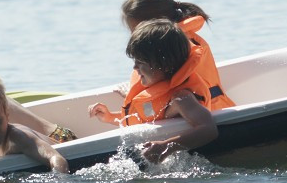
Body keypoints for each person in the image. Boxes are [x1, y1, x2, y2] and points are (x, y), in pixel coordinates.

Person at [88, 19, 218, 163]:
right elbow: (146, 117)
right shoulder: (158, 90)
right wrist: (110, 117)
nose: (135, 68)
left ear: (165, 66)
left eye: (141, 63)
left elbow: (208, 128)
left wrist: (167, 146)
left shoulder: (182, 98)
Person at [120, 0, 235, 110]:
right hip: (214, 108)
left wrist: (132, 93)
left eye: (135, 31)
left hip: (206, 112)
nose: (134, 38)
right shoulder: (183, 40)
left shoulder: (175, 48)